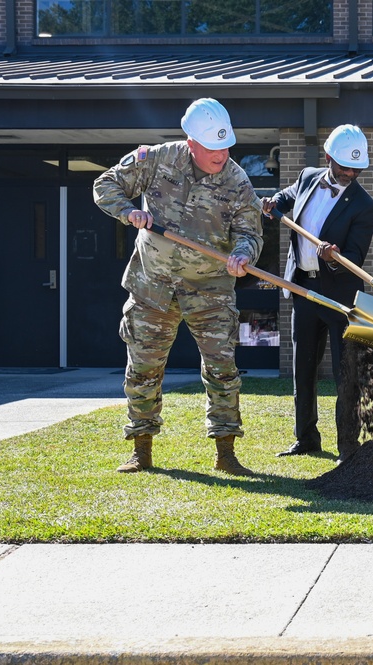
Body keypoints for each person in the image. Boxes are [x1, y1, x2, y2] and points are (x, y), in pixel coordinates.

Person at [93, 97, 263, 476]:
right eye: (213, 148)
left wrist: (242, 255)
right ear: (191, 143)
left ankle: (226, 452)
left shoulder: (237, 180)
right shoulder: (156, 159)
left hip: (210, 288)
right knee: (143, 369)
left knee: (222, 368)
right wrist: (128, 211)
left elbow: (250, 232)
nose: (221, 154)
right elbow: (105, 185)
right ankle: (142, 449)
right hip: (152, 284)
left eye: (226, 147)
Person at [259, 124, 373, 462]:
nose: (351, 174)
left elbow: (355, 258)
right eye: (344, 167)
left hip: (339, 297)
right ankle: (306, 438)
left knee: (346, 373)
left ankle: (347, 447)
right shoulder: (310, 176)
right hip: (302, 288)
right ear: (328, 158)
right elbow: (287, 197)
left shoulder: (364, 206)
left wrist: (334, 257)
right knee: (304, 368)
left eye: (357, 169)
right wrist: (273, 202)